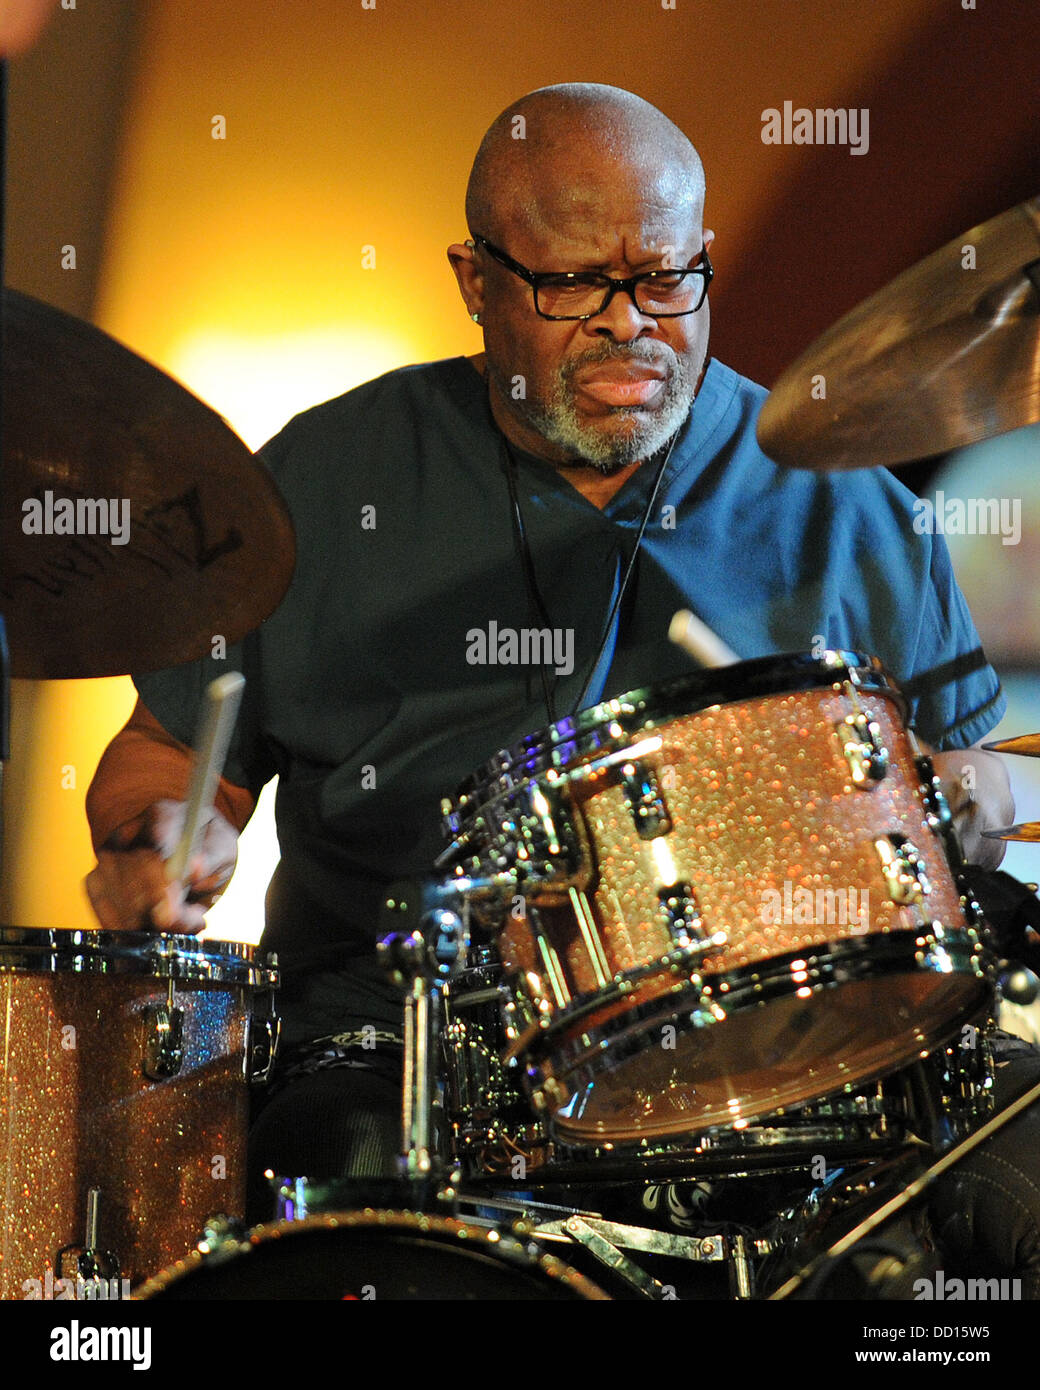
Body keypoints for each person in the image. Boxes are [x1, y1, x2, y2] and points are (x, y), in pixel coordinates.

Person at [84, 83, 1034, 1292]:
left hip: (799, 1059)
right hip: (401, 1058)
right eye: (575, 284)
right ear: (475, 281)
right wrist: (160, 839)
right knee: (343, 1201)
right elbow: (165, 764)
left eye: (664, 278)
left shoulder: (842, 500)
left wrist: (973, 799)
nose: (628, 324)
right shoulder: (324, 481)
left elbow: (973, 787)